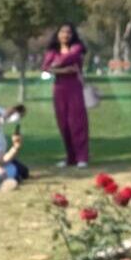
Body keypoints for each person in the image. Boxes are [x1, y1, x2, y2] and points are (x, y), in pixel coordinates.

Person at [42, 23, 90, 169]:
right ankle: (71, 157)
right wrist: (64, 70)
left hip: (74, 88)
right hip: (59, 89)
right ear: (57, 34)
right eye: (62, 32)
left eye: (68, 32)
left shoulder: (77, 48)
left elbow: (69, 58)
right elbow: (45, 67)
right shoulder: (53, 50)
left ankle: (82, 157)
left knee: (77, 122)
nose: (65, 35)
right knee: (63, 124)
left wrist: (55, 66)